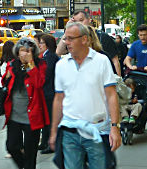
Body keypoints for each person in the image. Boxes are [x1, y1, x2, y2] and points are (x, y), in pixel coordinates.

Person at [49, 22, 121, 168]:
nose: (66, 42)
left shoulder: (101, 61)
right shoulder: (61, 65)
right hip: (70, 131)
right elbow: (58, 99)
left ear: (84, 39)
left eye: (71, 38)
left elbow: (111, 95)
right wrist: (54, 131)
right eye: (65, 39)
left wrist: (115, 127)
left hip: (97, 130)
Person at [2, 37, 48, 169]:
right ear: (17, 52)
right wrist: (4, 78)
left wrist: (30, 64)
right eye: (22, 50)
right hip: (14, 115)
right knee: (11, 146)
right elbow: (5, 83)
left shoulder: (40, 65)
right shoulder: (12, 65)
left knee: (30, 152)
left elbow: (39, 83)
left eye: (28, 51)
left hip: (32, 115)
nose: (25, 53)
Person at [56, 10, 120, 76]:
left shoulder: (102, 39)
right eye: (75, 22)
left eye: (81, 20)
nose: (79, 24)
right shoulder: (65, 63)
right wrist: (68, 30)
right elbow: (59, 51)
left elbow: (115, 60)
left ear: (89, 20)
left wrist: (118, 80)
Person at [38, 33, 59, 154]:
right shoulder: (45, 56)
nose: (39, 45)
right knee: (46, 118)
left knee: (50, 119)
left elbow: (47, 73)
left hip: (50, 92)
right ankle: (44, 141)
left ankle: (50, 144)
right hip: (46, 91)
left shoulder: (50, 56)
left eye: (41, 43)